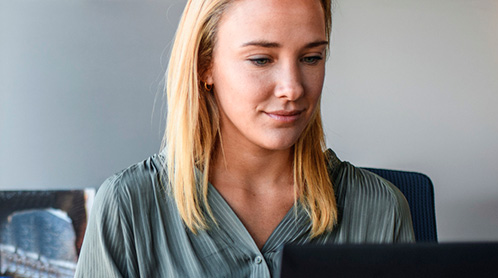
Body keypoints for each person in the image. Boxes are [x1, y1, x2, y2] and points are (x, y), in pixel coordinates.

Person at [74, 0, 414, 277]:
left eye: (311, 57)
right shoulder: (127, 207)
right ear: (205, 65)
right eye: (261, 60)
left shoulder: (381, 209)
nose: (292, 88)